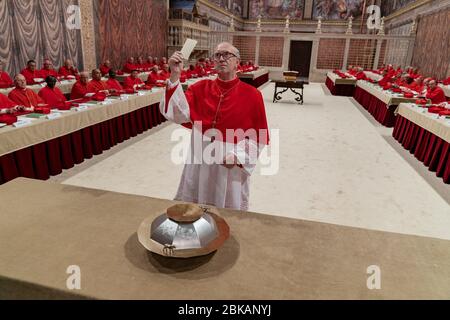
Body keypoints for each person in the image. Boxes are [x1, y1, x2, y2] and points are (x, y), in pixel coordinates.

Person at [160, 42, 269, 211]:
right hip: (199, 160)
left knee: (226, 213)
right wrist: (175, 75)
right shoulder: (199, 88)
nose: (221, 58)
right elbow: (175, 113)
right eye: (217, 55)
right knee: (194, 211)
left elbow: (260, 137)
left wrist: (238, 155)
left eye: (227, 55)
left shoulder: (253, 95)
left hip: (229, 167)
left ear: (237, 63)